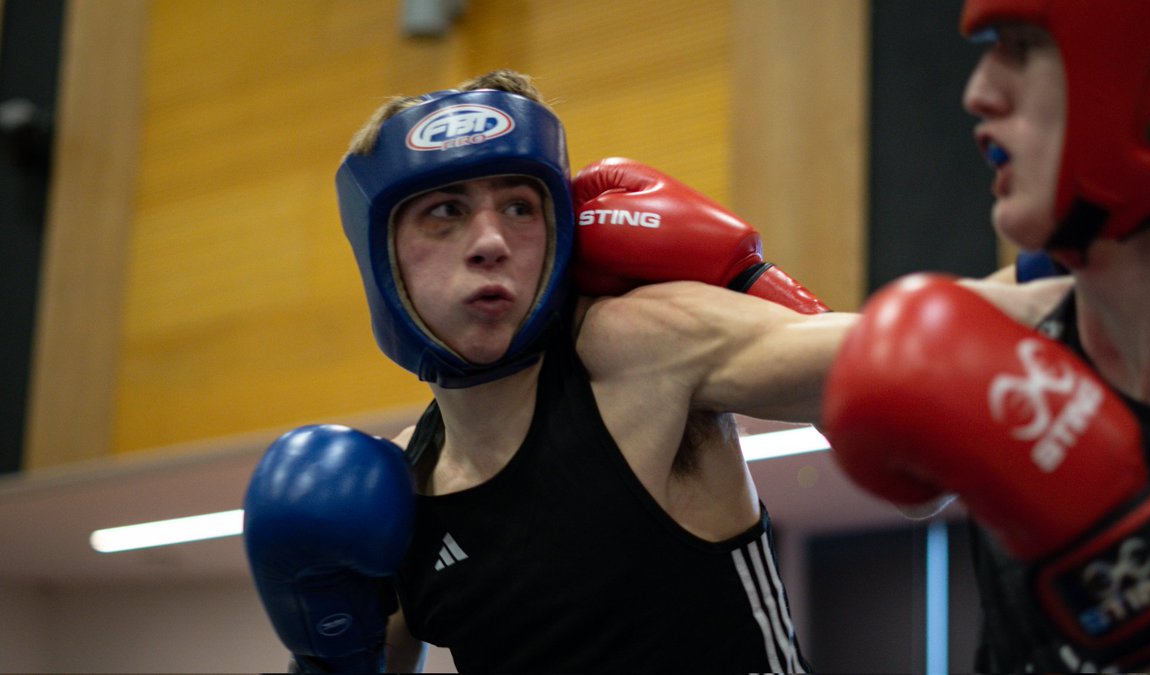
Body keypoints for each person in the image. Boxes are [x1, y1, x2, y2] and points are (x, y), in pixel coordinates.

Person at [244, 68, 854, 673]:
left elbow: (899, 374)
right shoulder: (400, 490)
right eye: (446, 211)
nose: (491, 242)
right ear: (382, 254)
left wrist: (748, 279)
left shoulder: (636, 348)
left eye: (518, 207)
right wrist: (325, 656)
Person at [821, 1, 1150, 672]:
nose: (977, 93)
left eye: (1021, 48)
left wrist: (1135, 587)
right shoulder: (1022, 348)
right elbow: (738, 351)